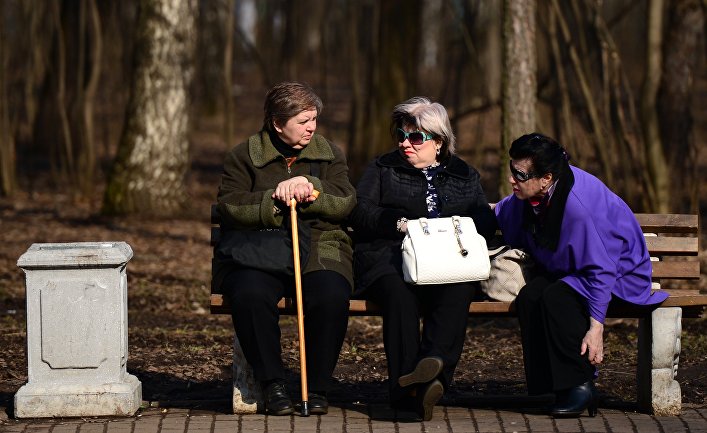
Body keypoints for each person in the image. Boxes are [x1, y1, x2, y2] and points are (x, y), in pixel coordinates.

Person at [494, 133, 669, 418]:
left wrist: (597, 326)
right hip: (571, 268)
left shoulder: (579, 206)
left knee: (557, 297)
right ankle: (552, 386)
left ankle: (580, 385)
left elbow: (602, 269)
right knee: (530, 296)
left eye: (519, 174)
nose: (512, 179)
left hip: (618, 273)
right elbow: (504, 212)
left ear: (546, 179)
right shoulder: (533, 191)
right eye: (511, 169)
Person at [349, 97, 497, 420]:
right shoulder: (383, 168)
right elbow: (360, 211)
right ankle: (406, 394)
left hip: (447, 260)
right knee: (399, 296)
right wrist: (399, 224)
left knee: (459, 289)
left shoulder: (463, 174)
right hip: (389, 257)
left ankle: (431, 377)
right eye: (402, 136)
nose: (406, 145)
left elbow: (484, 219)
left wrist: (457, 228)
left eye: (416, 138)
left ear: (439, 142)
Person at [213, 82, 356, 415]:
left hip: (321, 246)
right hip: (260, 250)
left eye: (314, 119)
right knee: (249, 294)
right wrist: (273, 200)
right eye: (303, 121)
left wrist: (313, 188)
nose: (312, 128)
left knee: (331, 294)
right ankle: (272, 385)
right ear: (278, 123)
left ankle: (317, 387)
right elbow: (230, 205)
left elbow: (346, 201)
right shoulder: (244, 154)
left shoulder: (329, 153)